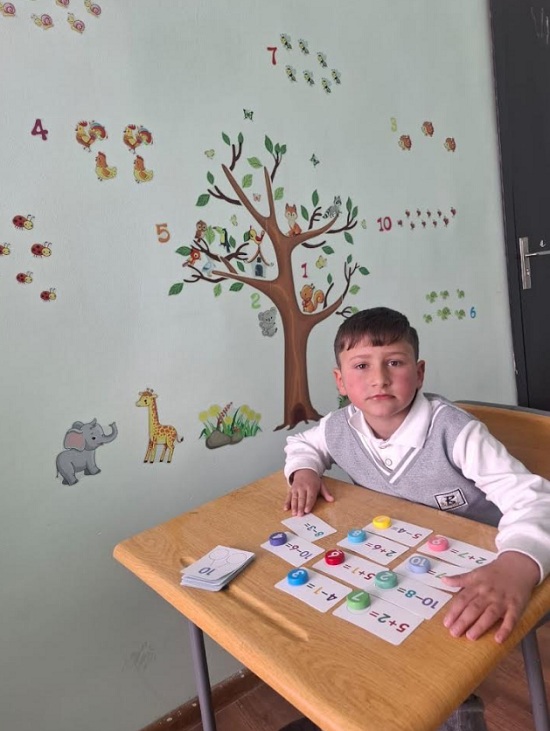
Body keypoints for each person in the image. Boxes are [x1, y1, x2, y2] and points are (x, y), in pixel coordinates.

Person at [280, 307, 550, 731]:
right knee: (359, 630)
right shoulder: (339, 426)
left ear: (419, 372)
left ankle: (459, 714)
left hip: (482, 567)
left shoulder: (456, 432)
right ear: (340, 381)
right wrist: (304, 471)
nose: (379, 379)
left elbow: (535, 500)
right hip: (401, 558)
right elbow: (303, 443)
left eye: (394, 362)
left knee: (434, 668)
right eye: (361, 366)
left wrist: (517, 564)